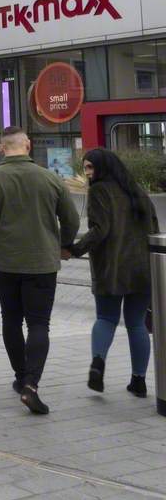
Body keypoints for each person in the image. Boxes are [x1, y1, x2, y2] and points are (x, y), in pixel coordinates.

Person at [0, 127, 79, 414]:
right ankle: (32, 384)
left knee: (11, 320)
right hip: (42, 263)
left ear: (1, 149)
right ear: (28, 145)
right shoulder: (50, 178)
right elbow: (72, 219)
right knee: (39, 324)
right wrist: (64, 245)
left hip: (5, 262)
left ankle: (20, 377)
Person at [68, 148, 160, 397]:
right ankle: (138, 381)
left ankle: (98, 363)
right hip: (142, 270)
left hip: (112, 268)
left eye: (90, 168)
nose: (87, 173)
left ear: (103, 168)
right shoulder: (136, 191)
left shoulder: (99, 190)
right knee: (137, 323)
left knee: (106, 318)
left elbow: (101, 229)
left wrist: (75, 250)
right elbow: (154, 226)